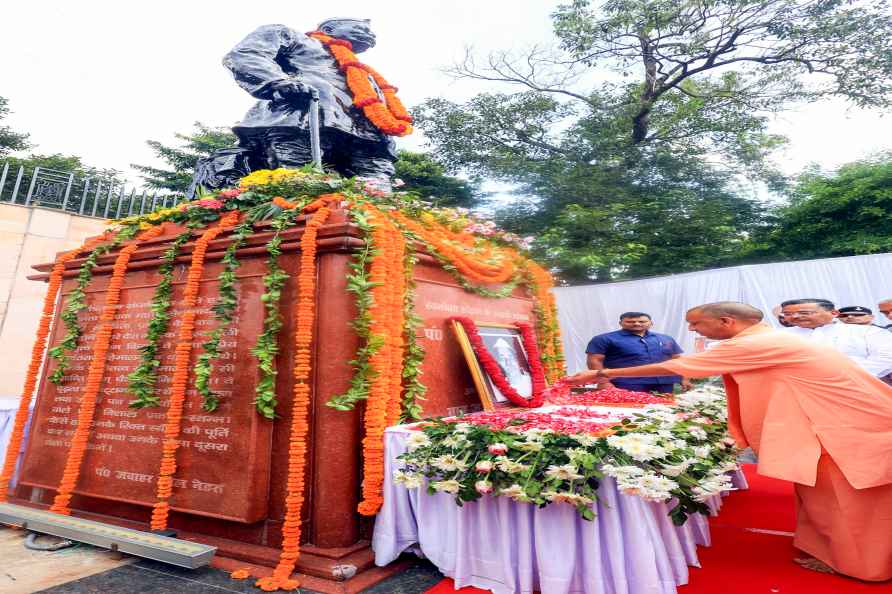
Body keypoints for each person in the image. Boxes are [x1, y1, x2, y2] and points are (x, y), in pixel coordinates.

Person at [567, 301, 892, 581]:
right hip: (835, 425)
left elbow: (680, 366)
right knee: (822, 496)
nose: (695, 331)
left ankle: (862, 566)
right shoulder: (767, 339)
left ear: (726, 321)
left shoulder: (756, 343)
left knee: (849, 501)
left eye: (697, 324)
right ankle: (831, 551)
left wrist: (597, 375)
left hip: (846, 429)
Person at [222, 18, 397, 184]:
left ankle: (384, 214)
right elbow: (246, 54)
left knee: (376, 182)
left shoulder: (362, 71)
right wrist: (277, 81)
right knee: (300, 177)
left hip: (365, 131)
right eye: (361, 29)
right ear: (328, 29)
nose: (370, 35)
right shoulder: (293, 36)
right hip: (303, 116)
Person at [780, 298, 892, 379]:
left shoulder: (867, 332)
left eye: (804, 313)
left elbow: (886, 357)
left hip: (862, 386)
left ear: (834, 313)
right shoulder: (778, 336)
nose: (795, 316)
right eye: (787, 314)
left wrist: (851, 377)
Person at [585, 312, 692, 393]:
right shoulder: (604, 339)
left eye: (642, 321)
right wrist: (603, 382)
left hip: (666, 382)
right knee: (631, 413)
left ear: (651, 323)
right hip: (626, 383)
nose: (636, 323)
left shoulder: (665, 338)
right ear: (620, 323)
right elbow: (594, 360)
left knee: (665, 413)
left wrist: (685, 377)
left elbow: (677, 359)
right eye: (630, 322)